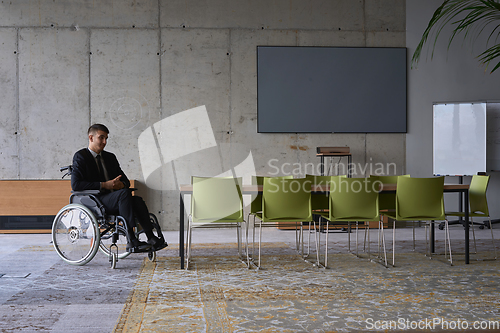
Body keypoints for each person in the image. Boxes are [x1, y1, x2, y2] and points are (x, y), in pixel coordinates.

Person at [71, 124, 167, 253]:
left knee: (137, 200)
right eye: (101, 137)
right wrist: (105, 185)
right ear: (91, 137)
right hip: (96, 200)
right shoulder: (81, 157)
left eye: (106, 138)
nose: (105, 142)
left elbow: (125, 181)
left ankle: (151, 237)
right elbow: (76, 184)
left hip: (115, 198)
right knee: (124, 194)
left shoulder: (110, 158)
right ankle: (132, 240)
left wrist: (121, 185)